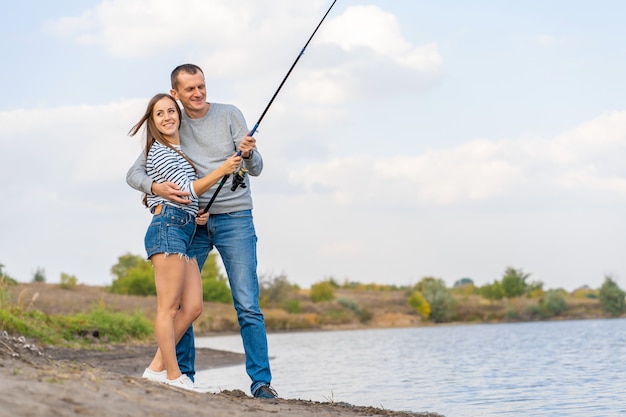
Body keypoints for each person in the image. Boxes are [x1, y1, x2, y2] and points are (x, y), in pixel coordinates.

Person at [126, 64, 278, 399]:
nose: (198, 94)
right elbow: (136, 172)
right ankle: (183, 376)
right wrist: (156, 188)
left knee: (247, 303)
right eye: (190, 89)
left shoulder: (229, 115)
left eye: (202, 86)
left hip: (235, 217)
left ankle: (261, 383)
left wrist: (249, 154)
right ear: (176, 94)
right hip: (190, 223)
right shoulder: (171, 124)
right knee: (181, 304)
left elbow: (256, 168)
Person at [128, 93, 241, 391]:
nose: (166, 117)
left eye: (170, 111)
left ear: (178, 114)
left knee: (192, 308)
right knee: (168, 307)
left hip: (185, 227)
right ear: (152, 122)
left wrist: (196, 213)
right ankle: (174, 376)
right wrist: (221, 170)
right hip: (167, 227)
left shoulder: (180, 150)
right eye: (159, 114)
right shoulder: (160, 153)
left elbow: (186, 197)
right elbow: (188, 190)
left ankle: (155, 368)